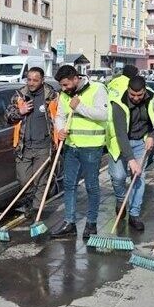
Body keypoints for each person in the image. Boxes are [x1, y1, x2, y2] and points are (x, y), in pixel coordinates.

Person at [51, 64, 109, 241]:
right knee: (69, 185)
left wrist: (79, 107)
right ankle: (69, 223)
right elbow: (60, 116)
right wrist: (60, 129)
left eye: (66, 84)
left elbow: (103, 114)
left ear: (76, 79)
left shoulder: (97, 88)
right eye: (61, 85)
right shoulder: (64, 94)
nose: (64, 88)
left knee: (91, 186)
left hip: (91, 146)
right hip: (71, 146)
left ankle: (91, 223)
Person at [107, 76, 154, 230]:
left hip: (141, 142)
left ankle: (134, 214)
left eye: (139, 95)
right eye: (132, 94)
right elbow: (121, 134)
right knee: (118, 177)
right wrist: (131, 160)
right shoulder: (119, 103)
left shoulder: (152, 97)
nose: (135, 98)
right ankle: (121, 200)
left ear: (145, 91)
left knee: (138, 177)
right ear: (128, 90)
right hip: (119, 142)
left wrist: (152, 136)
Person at [5, 67, 59, 214]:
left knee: (41, 181)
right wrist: (20, 112)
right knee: (24, 180)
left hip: (44, 147)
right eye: (29, 79)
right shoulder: (19, 96)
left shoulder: (52, 96)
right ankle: (30, 199)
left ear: (42, 80)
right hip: (24, 147)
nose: (31, 83)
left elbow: (60, 117)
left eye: (35, 80)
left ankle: (36, 211)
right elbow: (8, 117)